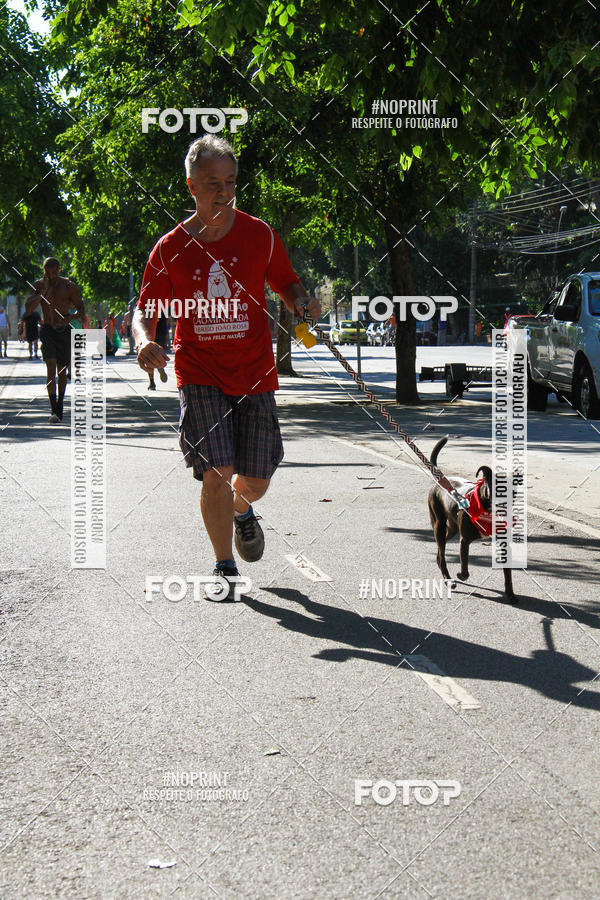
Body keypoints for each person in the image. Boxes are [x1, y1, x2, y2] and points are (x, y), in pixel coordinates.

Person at [132, 134, 321, 600]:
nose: (223, 191)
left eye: (230, 181)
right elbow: (144, 310)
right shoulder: (170, 247)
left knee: (253, 481)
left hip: (254, 371)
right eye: (213, 182)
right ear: (191, 186)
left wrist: (301, 303)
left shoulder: (259, 235)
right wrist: (144, 341)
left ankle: (242, 511)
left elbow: (288, 283)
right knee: (217, 469)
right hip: (199, 373)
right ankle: (224, 567)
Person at [25, 258, 85, 423]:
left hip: (64, 330)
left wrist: (71, 317)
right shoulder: (38, 285)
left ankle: (60, 404)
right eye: (47, 273)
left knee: (62, 369)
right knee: (50, 365)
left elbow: (81, 308)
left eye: (54, 272)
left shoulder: (68, 286)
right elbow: (28, 308)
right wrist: (42, 293)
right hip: (48, 330)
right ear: (43, 270)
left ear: (59, 269)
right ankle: (53, 409)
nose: (51, 276)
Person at [147, 313, 169, 391]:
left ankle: (152, 382)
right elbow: (167, 322)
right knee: (152, 357)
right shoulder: (163, 307)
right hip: (159, 336)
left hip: (153, 336)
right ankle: (159, 366)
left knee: (149, 359)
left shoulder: (149, 308)